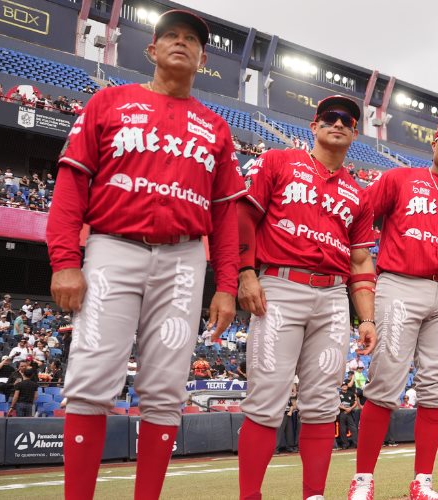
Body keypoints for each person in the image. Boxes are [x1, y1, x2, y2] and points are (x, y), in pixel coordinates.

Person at [45, 10, 245, 500]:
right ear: (152, 50)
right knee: (91, 379)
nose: (182, 43)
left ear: (202, 59)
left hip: (183, 260)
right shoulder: (109, 102)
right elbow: (71, 187)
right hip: (114, 246)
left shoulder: (216, 128)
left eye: (192, 40)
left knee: (165, 388)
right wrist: (65, 261)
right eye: (171, 36)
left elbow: (224, 217)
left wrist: (225, 284)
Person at [236, 93, 377, 500]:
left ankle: (314, 494)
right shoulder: (279, 161)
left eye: (347, 120)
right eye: (330, 117)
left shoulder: (359, 192)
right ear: (313, 126)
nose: (339, 123)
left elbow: (361, 259)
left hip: (333, 296)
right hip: (279, 285)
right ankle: (250, 496)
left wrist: (365, 318)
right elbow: (245, 216)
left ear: (354, 133)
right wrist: (246, 273)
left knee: (321, 403)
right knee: (266, 400)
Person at [349, 115, 438, 500]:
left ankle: (422, 482)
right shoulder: (400, 179)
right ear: (434, 141)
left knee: (436, 389)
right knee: (384, 382)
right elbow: (361, 212)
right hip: (399, 283)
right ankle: (363, 480)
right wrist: (362, 259)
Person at [339, 381, 360, 449]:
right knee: (343, 429)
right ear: (341, 387)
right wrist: (345, 408)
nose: (344, 386)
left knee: (353, 428)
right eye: (343, 385)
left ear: (347, 386)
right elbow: (336, 404)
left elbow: (356, 402)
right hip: (342, 413)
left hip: (349, 413)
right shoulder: (338, 394)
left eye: (345, 385)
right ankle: (345, 445)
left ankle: (356, 443)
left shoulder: (351, 394)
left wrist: (350, 408)